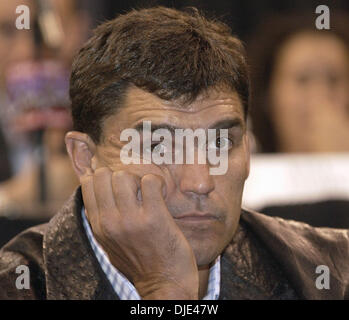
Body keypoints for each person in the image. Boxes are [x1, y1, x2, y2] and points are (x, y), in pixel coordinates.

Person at [0, 7, 348, 300]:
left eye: (220, 143)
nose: (199, 182)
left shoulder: (334, 272)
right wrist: (163, 289)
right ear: (85, 158)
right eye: (158, 147)